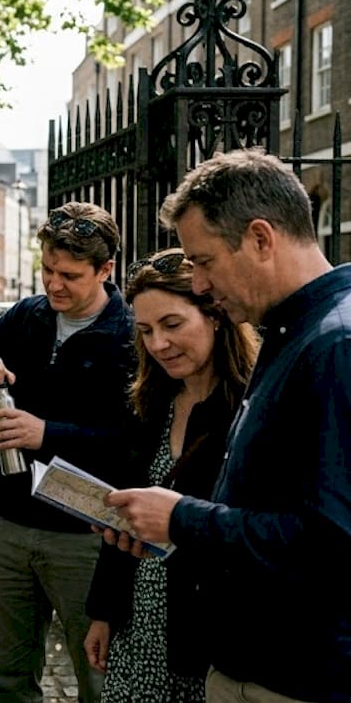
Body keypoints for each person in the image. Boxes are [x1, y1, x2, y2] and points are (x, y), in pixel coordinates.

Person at [106, 149, 351, 703]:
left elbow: (332, 542)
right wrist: (168, 531)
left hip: (298, 677)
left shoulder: (335, 345)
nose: (197, 283)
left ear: (261, 238)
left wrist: (185, 520)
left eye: (204, 260)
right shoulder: (291, 330)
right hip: (249, 662)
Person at [0, 201, 135, 703]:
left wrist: (46, 434)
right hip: (10, 522)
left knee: (100, 680)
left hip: (85, 534)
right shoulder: (27, 315)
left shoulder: (131, 336)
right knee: (9, 679)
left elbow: (134, 444)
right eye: (47, 270)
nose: (54, 285)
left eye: (69, 275)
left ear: (105, 270)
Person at [81, 248, 258, 702]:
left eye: (172, 325)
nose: (158, 343)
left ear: (215, 317)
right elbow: (126, 512)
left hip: (206, 639)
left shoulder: (251, 407)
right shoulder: (149, 405)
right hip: (136, 626)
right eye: (145, 331)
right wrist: (103, 612)